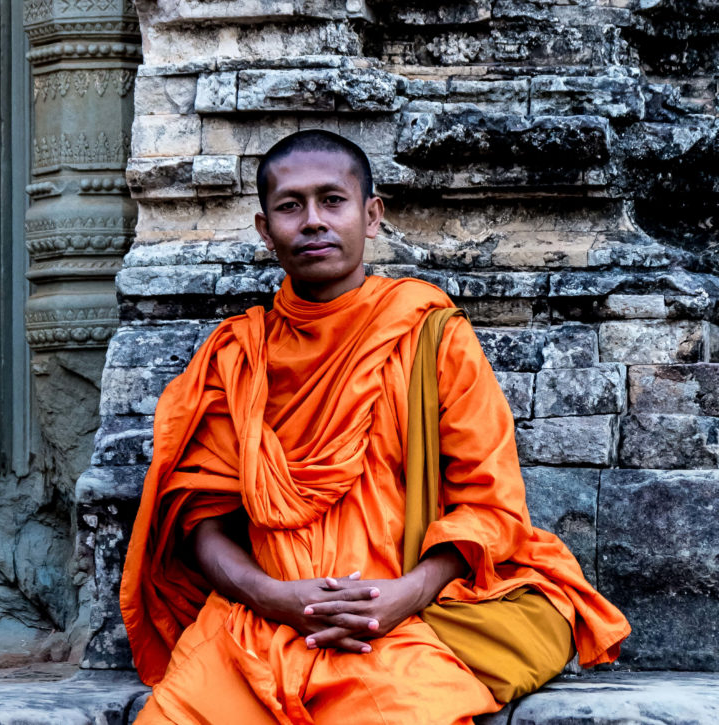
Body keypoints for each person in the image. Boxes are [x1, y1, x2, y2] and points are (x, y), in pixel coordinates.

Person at [121, 130, 630, 724]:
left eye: (332, 201)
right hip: (260, 619)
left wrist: (402, 596)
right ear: (265, 230)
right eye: (291, 206)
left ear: (371, 216)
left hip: (408, 615)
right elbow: (199, 516)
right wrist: (275, 597)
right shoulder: (238, 355)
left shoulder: (430, 334)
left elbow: (491, 507)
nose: (312, 221)